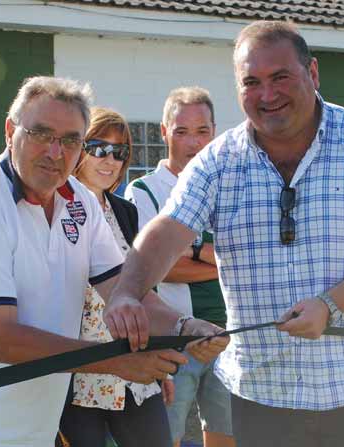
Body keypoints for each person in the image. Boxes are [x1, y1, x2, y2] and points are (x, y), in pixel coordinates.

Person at [105, 21, 344, 447]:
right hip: (263, 397)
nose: (267, 95)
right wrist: (126, 292)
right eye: (251, 82)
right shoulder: (218, 162)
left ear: (313, 73)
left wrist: (330, 305)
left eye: (280, 77)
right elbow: (167, 230)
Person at [0, 76, 228, 447]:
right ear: (10, 131)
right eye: (41, 133)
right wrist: (118, 363)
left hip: (31, 424)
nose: (55, 151)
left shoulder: (80, 202)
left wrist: (186, 326)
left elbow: (121, 288)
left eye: (70, 140)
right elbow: (1, 340)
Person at [125, 87, 234, 447]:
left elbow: (242, 257)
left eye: (202, 131)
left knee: (224, 436)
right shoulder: (144, 191)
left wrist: (195, 253)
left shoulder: (227, 188)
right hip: (173, 337)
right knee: (165, 437)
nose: (194, 142)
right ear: (164, 132)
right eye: (182, 131)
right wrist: (220, 259)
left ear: (214, 131)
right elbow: (157, 268)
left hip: (226, 337)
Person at [58, 107, 173, 447]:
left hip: (135, 371)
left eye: (120, 152)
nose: (110, 159)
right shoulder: (53, 207)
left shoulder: (125, 210)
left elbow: (140, 289)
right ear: (79, 148)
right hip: (78, 375)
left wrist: (156, 360)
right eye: (99, 148)